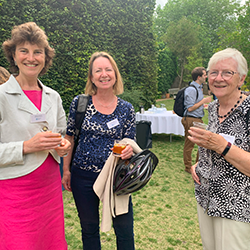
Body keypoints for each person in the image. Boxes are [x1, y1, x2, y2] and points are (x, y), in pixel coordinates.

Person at [0, 22, 71, 249]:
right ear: (13, 55)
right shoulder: (1, 96)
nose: (31, 58)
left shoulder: (54, 97)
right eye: (24, 51)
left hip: (49, 189)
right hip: (14, 192)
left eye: (37, 52)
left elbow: (63, 137)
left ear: (45, 57)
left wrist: (62, 147)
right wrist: (27, 146)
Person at [62, 51, 136, 250]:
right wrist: (66, 170)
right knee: (89, 228)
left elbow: (131, 142)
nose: (104, 74)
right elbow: (69, 137)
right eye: (98, 70)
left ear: (115, 74)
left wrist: (129, 150)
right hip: (83, 177)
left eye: (108, 69)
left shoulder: (126, 109)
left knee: (124, 230)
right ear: (92, 77)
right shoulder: (80, 103)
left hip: (116, 177)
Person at [188, 48, 250, 250]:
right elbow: (212, 146)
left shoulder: (247, 110)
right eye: (213, 72)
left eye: (227, 73)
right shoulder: (214, 108)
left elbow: (220, 144)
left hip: (236, 205)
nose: (219, 78)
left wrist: (222, 146)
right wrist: (199, 163)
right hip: (206, 198)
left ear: (241, 79)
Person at [181, 67, 212, 173]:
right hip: (191, 119)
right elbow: (189, 108)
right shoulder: (191, 89)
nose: (206, 77)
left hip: (197, 119)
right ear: (199, 77)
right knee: (190, 144)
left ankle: (198, 165)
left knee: (202, 143)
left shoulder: (199, 88)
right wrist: (203, 101)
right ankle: (188, 167)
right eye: (204, 75)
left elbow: (195, 105)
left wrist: (203, 105)